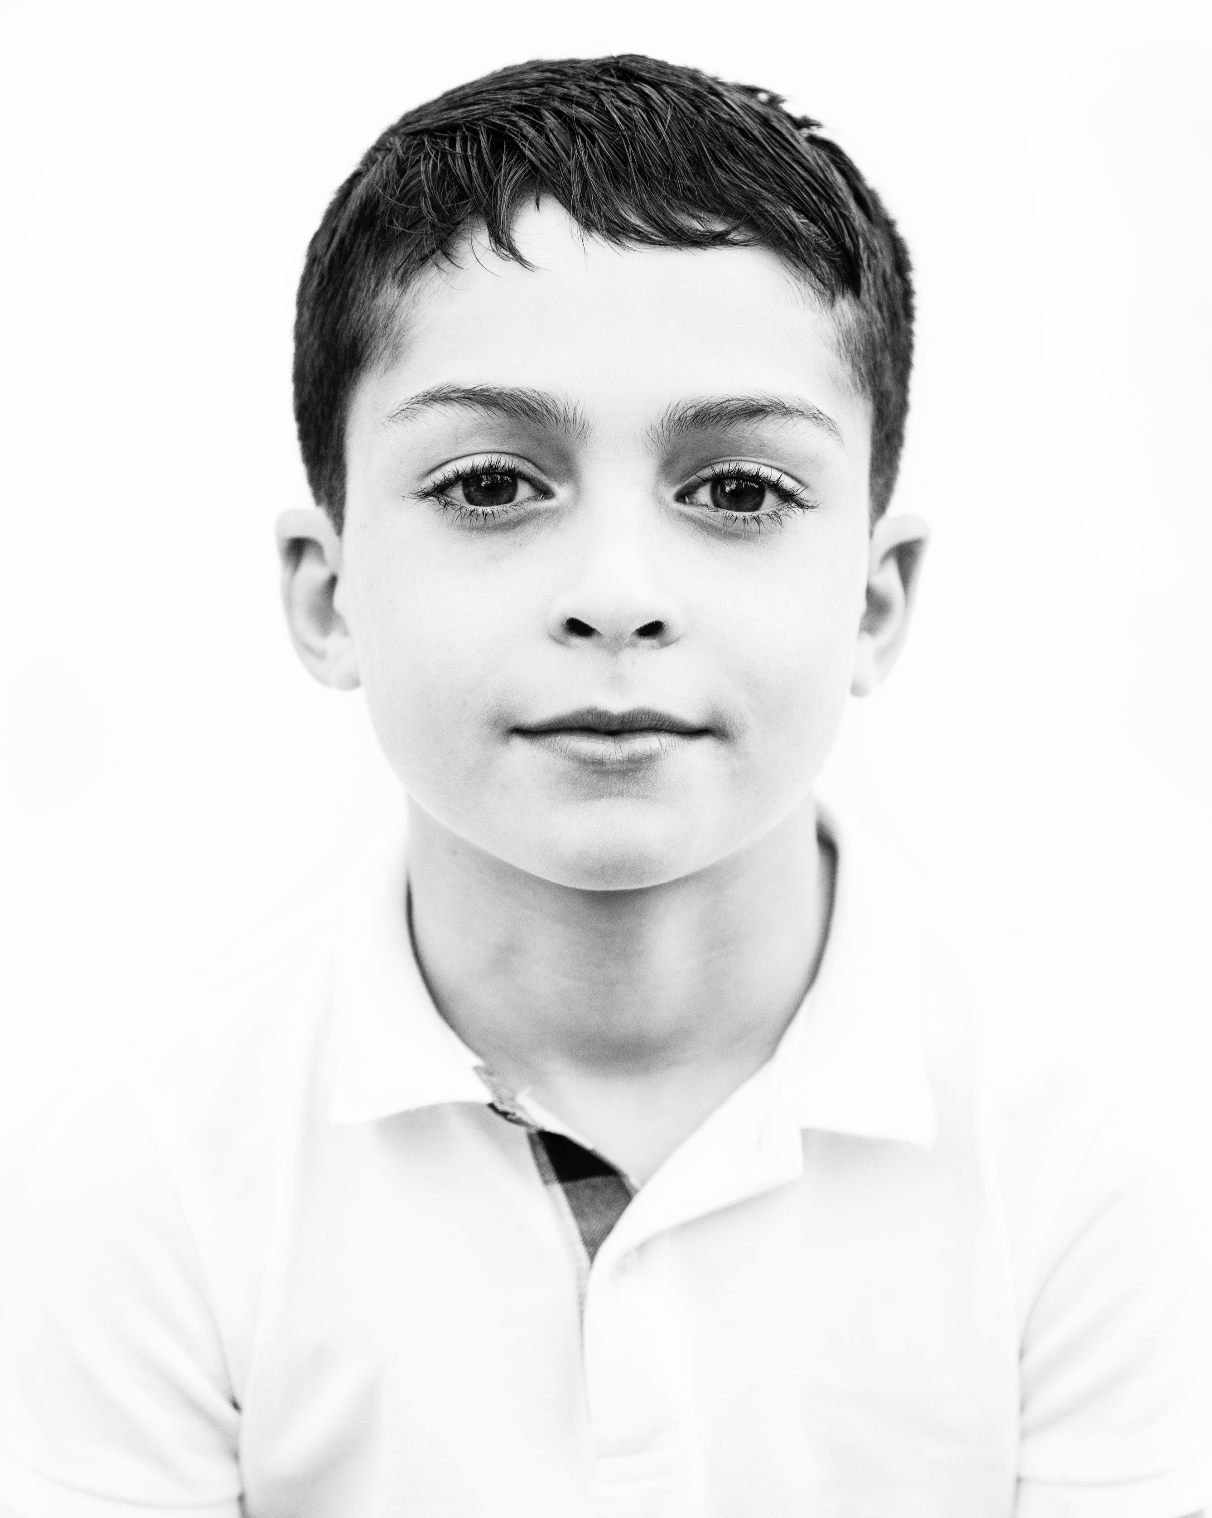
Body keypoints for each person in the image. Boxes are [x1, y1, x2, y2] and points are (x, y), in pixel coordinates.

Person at [0, 53, 1205, 1518]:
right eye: (489, 486)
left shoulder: (1103, 1147)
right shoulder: (148, 1172)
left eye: (740, 491)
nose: (619, 592)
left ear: (877, 600)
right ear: (326, 593)